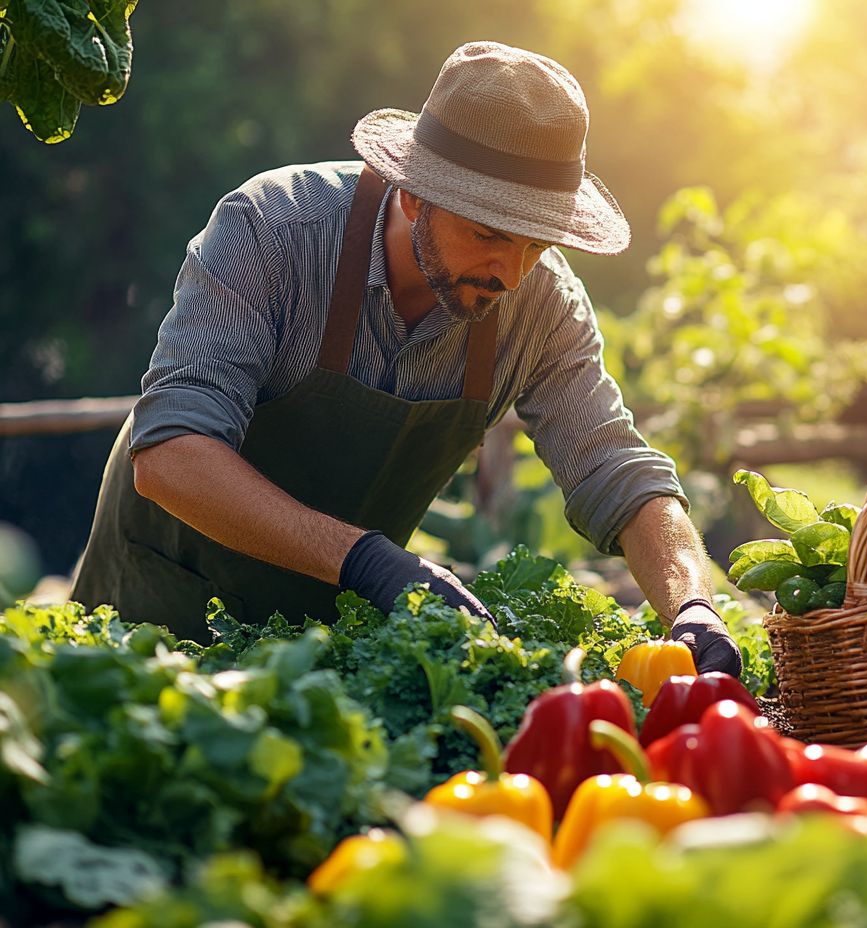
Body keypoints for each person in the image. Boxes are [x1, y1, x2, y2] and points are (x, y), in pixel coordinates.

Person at [71, 41, 740, 676]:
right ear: (414, 191)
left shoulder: (542, 304)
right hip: (156, 617)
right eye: (487, 234)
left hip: (321, 653)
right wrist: (366, 560)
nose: (511, 272)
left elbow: (615, 469)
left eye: (536, 243)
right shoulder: (271, 231)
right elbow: (171, 456)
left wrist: (693, 605)